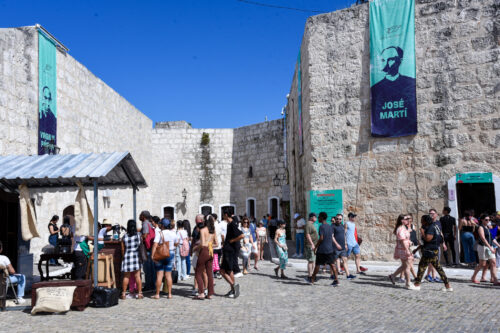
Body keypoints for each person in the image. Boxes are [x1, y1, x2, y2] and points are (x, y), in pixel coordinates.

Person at [370, 46, 417, 137]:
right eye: (383, 60)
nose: (386, 65)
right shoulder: (375, 89)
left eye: (390, 60)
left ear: (400, 61)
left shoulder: (411, 83)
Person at [412, 215, 452, 291]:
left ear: (426, 221)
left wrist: (422, 232)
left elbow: (427, 239)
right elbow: (440, 238)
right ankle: (448, 285)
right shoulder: (435, 226)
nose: (421, 222)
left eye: (422, 220)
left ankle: (417, 284)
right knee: (438, 268)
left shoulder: (430, 228)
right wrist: (417, 249)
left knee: (421, 267)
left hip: (429, 251)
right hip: (434, 250)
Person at [388, 215, 417, 290]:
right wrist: (407, 250)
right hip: (404, 249)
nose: (408, 220)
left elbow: (406, 238)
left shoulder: (403, 227)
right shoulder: (400, 229)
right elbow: (402, 240)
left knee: (405, 266)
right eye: (406, 219)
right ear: (401, 220)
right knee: (407, 266)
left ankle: (393, 276)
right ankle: (408, 283)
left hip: (405, 248)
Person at [152, 218, 178, 299]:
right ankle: (169, 294)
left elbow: (155, 245)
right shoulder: (173, 233)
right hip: (170, 253)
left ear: (162, 225)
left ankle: (157, 294)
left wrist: (152, 255)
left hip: (161, 254)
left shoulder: (160, 233)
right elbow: (176, 243)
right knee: (168, 275)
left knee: (159, 275)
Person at [193, 214, 218, 299]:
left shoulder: (203, 230)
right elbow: (217, 244)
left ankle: (201, 293)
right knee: (209, 273)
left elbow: (203, 244)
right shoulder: (213, 231)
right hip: (211, 252)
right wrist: (210, 245)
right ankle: (210, 293)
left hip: (204, 251)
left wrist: (195, 247)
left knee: (198, 273)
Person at [311, 212, 339, 286]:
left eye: (319, 217)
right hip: (329, 249)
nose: (318, 218)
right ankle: (336, 280)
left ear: (322, 218)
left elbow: (321, 238)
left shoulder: (321, 226)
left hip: (322, 249)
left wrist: (315, 247)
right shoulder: (330, 226)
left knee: (317, 264)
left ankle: (312, 279)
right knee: (332, 265)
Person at [471, 215, 500, 285]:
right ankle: (473, 277)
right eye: (486, 220)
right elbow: (483, 239)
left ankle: (495, 279)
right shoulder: (481, 227)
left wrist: (498, 245)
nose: (488, 221)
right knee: (482, 264)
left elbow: (492, 238)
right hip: (483, 247)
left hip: (489, 247)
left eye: (488, 220)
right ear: (482, 220)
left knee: (493, 262)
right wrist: (490, 247)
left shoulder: (487, 228)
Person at [220, 215, 244, 298]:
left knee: (225, 271)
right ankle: (232, 289)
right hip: (227, 250)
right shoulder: (229, 224)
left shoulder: (232, 224)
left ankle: (234, 286)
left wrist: (232, 241)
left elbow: (241, 235)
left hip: (229, 251)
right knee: (226, 271)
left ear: (226, 215)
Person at [121, 219, 143, 300]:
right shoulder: (138, 235)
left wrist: (124, 257)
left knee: (126, 276)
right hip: (136, 256)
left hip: (127, 256)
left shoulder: (124, 236)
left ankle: (123, 294)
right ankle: (140, 293)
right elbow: (141, 245)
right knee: (138, 276)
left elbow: (123, 249)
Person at [332, 215, 355, 280]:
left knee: (345, 260)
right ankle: (333, 275)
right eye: (337, 219)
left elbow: (344, 235)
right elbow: (332, 236)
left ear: (341, 219)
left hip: (342, 247)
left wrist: (345, 244)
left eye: (340, 219)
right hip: (336, 247)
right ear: (335, 219)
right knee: (334, 261)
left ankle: (348, 275)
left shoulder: (342, 226)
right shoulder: (333, 226)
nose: (338, 220)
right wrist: (336, 244)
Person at [139, 210, 155, 291]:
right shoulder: (150, 223)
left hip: (147, 248)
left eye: (140, 215)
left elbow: (145, 235)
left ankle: (148, 285)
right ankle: (153, 284)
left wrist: (139, 237)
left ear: (143, 216)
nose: (139, 216)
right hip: (151, 247)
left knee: (147, 268)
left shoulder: (145, 223)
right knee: (151, 267)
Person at [304, 213, 318, 283]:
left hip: (314, 245)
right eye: (315, 217)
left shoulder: (311, 224)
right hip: (310, 246)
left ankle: (312, 275)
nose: (316, 218)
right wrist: (312, 244)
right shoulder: (308, 224)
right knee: (310, 261)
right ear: (312, 217)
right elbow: (307, 235)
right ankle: (309, 276)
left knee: (313, 261)